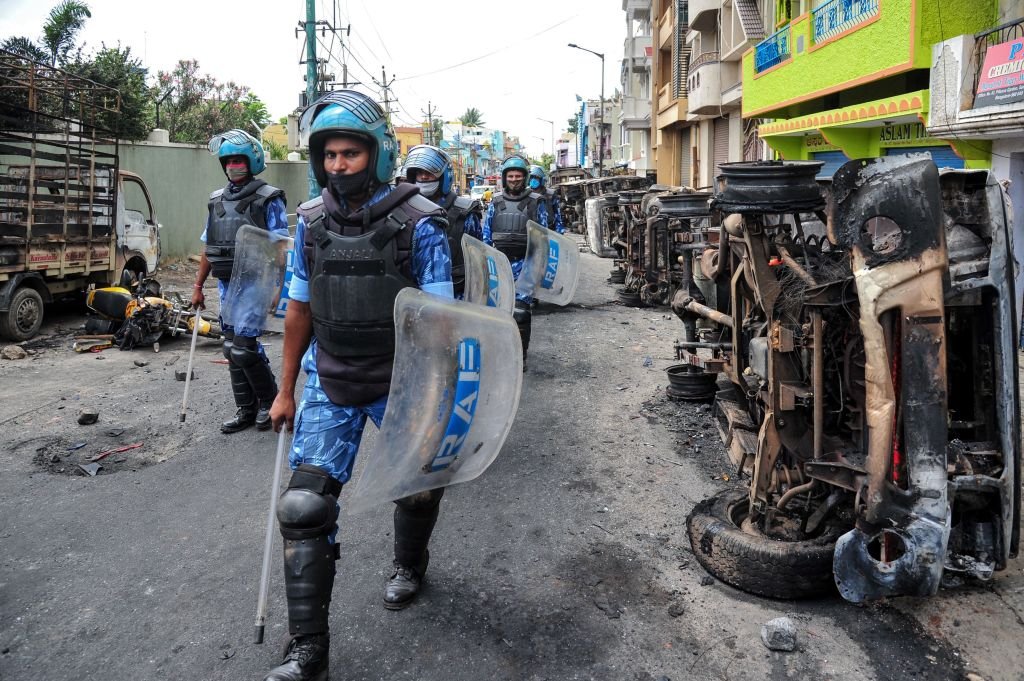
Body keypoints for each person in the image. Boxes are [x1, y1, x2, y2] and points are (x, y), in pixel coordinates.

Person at [263, 90, 454, 681]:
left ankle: (407, 563)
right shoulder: (310, 224)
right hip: (331, 375)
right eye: (330, 155)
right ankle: (308, 651)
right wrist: (286, 387)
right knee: (303, 506)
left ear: (377, 154)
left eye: (350, 153)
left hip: (402, 380)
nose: (338, 165)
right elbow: (298, 310)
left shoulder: (421, 225)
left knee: (418, 490)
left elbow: (441, 325)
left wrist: (441, 401)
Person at [192, 129, 287, 434]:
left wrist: (279, 289)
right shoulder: (216, 201)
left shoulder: (268, 199)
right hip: (226, 284)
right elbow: (209, 246)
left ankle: (268, 403)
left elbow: (280, 247)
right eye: (228, 160)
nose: (233, 165)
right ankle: (245, 409)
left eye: (238, 160)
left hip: (255, 285)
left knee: (245, 348)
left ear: (252, 161)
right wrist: (196, 287)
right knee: (230, 348)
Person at [480, 153, 548, 363]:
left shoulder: (536, 202)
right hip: (500, 264)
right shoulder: (496, 202)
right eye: (510, 176)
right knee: (498, 311)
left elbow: (543, 235)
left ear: (525, 177)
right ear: (504, 178)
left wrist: (538, 266)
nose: (514, 180)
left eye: (518, 176)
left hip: (526, 263)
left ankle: (520, 356)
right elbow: (486, 233)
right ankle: (499, 352)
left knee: (520, 312)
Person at [402, 144, 484, 297]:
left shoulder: (465, 213)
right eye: (419, 173)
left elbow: (480, 263)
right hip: (412, 298)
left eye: (430, 172)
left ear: (445, 176)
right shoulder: (402, 210)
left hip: (459, 297)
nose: (424, 177)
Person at [529, 164, 565, 234]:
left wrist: (560, 232)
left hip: (549, 231)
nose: (533, 180)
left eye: (536, 178)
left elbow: (557, 215)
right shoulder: (527, 194)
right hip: (531, 232)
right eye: (532, 177)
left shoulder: (551, 194)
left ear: (542, 180)